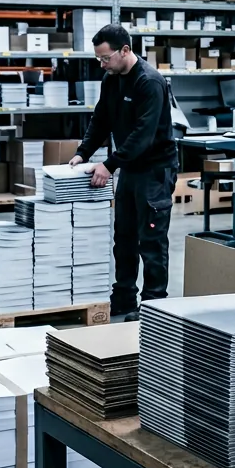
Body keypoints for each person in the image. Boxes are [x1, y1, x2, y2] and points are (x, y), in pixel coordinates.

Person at [70, 24, 178, 319]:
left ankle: (155, 305)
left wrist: (108, 165)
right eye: (99, 59)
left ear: (125, 51)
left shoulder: (150, 82)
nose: (102, 64)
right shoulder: (111, 79)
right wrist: (83, 153)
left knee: (151, 239)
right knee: (125, 237)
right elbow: (101, 119)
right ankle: (125, 299)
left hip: (155, 170)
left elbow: (142, 136)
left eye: (105, 58)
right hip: (130, 168)